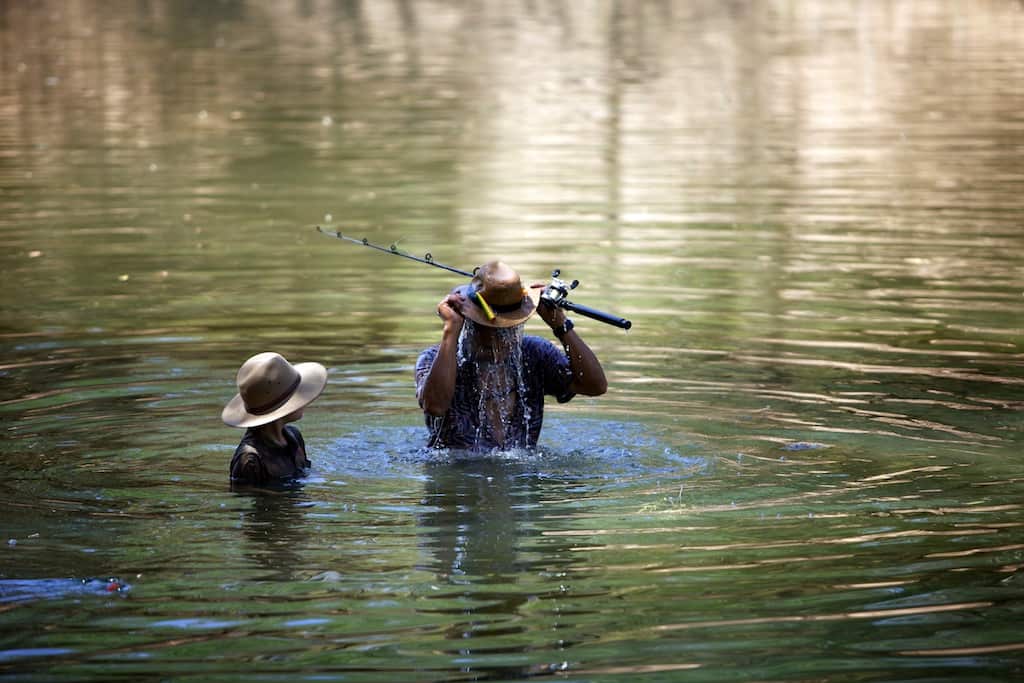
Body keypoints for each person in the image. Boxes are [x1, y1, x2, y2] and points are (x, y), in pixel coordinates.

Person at [415, 260, 607, 450]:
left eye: (507, 330)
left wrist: (561, 325)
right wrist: (450, 329)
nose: (495, 338)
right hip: (455, 474)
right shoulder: (436, 358)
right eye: (486, 327)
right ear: (468, 320)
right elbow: (435, 406)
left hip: (522, 475)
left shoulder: (535, 354)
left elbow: (595, 386)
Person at [222, 352, 327, 485]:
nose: (305, 401)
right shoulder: (250, 461)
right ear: (281, 408)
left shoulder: (294, 436)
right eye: (297, 393)